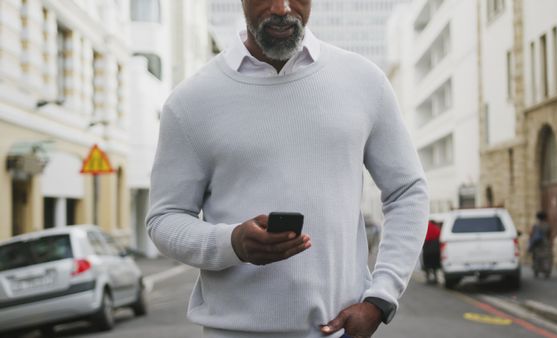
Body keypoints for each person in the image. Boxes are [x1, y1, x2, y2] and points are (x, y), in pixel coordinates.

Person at [145, 1, 429, 337]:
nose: (282, 8)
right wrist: (232, 242)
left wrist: (380, 298)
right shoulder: (190, 101)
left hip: (336, 332)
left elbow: (407, 191)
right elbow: (164, 220)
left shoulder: (365, 81)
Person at [528, 211, 552, 278]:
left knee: (536, 258)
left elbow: (531, 234)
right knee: (545, 258)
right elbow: (549, 234)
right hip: (545, 243)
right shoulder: (547, 225)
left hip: (536, 244)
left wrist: (530, 243)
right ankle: (546, 271)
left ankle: (536, 271)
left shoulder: (535, 225)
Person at [422, 220, 441, 284]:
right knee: (435, 265)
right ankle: (436, 278)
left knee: (427, 265)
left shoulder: (426, 227)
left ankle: (428, 278)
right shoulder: (436, 228)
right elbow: (439, 235)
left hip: (427, 248)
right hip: (435, 249)